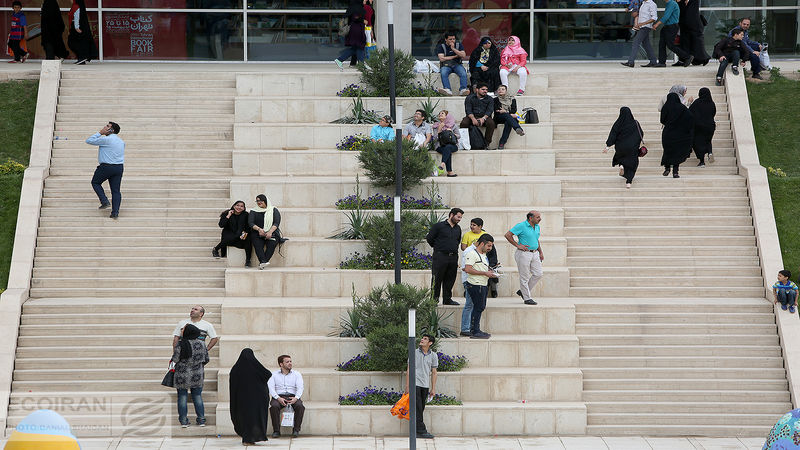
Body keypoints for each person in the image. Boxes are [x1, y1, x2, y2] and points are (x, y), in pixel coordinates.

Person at [230, 348, 272, 446]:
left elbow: (233, 385)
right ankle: (252, 437)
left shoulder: (235, 369)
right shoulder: (256, 367)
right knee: (255, 418)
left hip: (241, 401)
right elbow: (267, 374)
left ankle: (247, 438)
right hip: (257, 400)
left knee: (245, 418)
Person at [171, 324, 209, 428]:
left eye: (183, 329)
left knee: (182, 397)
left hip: (182, 375)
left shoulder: (181, 344)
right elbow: (206, 359)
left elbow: (175, 359)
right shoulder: (202, 344)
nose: (181, 330)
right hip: (197, 375)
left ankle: (184, 421)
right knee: (197, 396)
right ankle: (201, 420)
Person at [504, 211, 544, 306]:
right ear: (530, 218)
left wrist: (541, 252)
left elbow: (536, 239)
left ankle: (523, 291)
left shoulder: (537, 226)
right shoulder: (521, 226)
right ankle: (527, 298)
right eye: (538, 217)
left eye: (540, 217)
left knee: (538, 274)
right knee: (524, 276)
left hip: (535, 253)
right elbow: (507, 235)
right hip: (523, 254)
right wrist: (518, 245)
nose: (540, 219)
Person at [86, 122, 124, 219]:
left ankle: (104, 201)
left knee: (95, 182)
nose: (104, 127)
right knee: (116, 191)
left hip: (106, 167)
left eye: (107, 126)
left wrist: (100, 133)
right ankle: (115, 212)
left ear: (112, 130)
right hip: (118, 167)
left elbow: (89, 140)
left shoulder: (106, 140)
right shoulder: (121, 141)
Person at [426, 207, 464, 306]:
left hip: (453, 257)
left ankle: (447, 299)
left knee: (450, 278)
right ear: (451, 215)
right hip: (440, 256)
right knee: (437, 278)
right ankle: (434, 300)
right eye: (458, 217)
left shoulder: (458, 228)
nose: (459, 219)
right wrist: (439, 248)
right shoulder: (439, 226)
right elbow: (430, 238)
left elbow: (458, 240)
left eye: (460, 218)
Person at [463, 234, 498, 339]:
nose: (490, 248)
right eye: (489, 246)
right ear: (482, 243)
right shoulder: (471, 254)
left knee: (480, 307)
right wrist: (484, 273)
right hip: (475, 284)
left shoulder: (483, 255)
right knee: (477, 307)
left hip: (482, 284)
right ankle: (474, 331)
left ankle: (476, 330)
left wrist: (489, 272)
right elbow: (468, 269)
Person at [404, 334, 438, 439]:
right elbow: (409, 369)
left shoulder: (433, 356)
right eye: (422, 338)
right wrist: (407, 385)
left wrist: (433, 388)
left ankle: (416, 429)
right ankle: (421, 431)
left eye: (425, 339)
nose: (422, 340)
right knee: (418, 407)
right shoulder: (414, 352)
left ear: (430, 343)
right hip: (415, 384)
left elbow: (434, 372)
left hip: (425, 384)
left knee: (421, 407)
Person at [604, 107, 643, 189]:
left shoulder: (618, 123)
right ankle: (629, 182)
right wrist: (635, 142)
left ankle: (622, 165)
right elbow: (641, 133)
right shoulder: (635, 123)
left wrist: (608, 146)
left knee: (621, 157)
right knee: (633, 163)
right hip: (632, 147)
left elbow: (613, 134)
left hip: (620, 146)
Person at [268, 355, 305, 438]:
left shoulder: (297, 374)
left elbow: (300, 387)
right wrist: (278, 398)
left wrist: (296, 398)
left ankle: (296, 430)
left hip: (293, 396)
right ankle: (276, 431)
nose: (290, 363)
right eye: (287, 362)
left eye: (290, 361)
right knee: (274, 406)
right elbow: (271, 388)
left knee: (300, 406)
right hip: (278, 397)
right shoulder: (273, 374)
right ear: (281, 364)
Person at [660, 92, 694, 178]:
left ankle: (667, 168)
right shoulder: (682, 108)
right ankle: (675, 172)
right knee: (677, 152)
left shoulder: (666, 107)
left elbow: (662, 120)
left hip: (668, 133)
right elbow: (690, 117)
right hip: (679, 133)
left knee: (667, 151)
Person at [249, 194, 285, 270]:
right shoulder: (253, 211)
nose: (259, 202)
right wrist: (259, 229)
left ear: (265, 200)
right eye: (257, 201)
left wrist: (270, 232)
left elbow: (276, 222)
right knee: (258, 244)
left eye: (260, 200)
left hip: (272, 232)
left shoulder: (273, 210)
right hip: (257, 232)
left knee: (272, 244)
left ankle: (263, 262)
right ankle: (263, 261)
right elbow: (251, 223)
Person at [652, 0, 693, 67]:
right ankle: (662, 62)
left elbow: (666, 16)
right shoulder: (669, 3)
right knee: (661, 44)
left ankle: (687, 57)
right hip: (667, 26)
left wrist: (657, 24)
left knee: (670, 45)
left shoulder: (671, 3)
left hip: (671, 26)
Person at [213, 200, 252, 266]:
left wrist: (244, 234)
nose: (239, 207)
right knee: (230, 237)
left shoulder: (246, 215)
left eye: (241, 206)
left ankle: (248, 260)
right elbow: (221, 225)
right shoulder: (227, 213)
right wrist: (228, 216)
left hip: (240, 234)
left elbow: (248, 227)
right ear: (234, 206)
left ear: (244, 208)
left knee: (248, 240)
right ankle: (216, 249)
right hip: (229, 233)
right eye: (237, 205)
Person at [459, 83, 496, 150]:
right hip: (472, 116)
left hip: (485, 116)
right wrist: (473, 118)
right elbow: (468, 110)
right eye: (483, 89)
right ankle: (464, 143)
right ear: (477, 90)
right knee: (464, 123)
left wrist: (483, 118)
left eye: (486, 90)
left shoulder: (490, 99)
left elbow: (490, 110)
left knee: (491, 123)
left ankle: (486, 143)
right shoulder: (469, 98)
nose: (485, 91)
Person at [621, 0, 657, 67]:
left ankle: (631, 62)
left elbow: (654, 18)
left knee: (636, 42)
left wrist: (643, 23)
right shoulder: (643, 3)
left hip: (645, 27)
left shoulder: (652, 4)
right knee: (646, 44)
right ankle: (653, 61)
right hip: (641, 26)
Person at [333, 1, 366, 69]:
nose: (365, 0)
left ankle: (341, 60)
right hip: (357, 30)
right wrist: (363, 20)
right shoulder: (358, 8)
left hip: (353, 30)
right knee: (359, 46)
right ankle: (361, 65)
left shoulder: (352, 7)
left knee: (356, 47)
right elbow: (355, 17)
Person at [688, 87, 716, 167]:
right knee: (708, 140)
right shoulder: (711, 103)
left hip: (699, 127)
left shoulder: (697, 103)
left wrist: (689, 103)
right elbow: (713, 113)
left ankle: (702, 161)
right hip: (710, 126)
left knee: (698, 143)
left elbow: (690, 112)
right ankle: (709, 152)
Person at [678, 0, 710, 66]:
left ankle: (703, 59)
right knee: (685, 42)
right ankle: (684, 59)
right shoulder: (682, 3)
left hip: (694, 25)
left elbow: (691, 13)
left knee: (697, 43)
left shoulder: (693, 2)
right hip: (685, 25)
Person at [437, 32, 469, 96]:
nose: (452, 41)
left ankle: (463, 90)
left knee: (463, 72)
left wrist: (453, 49)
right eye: (450, 39)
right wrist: (454, 56)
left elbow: (463, 55)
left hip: (457, 64)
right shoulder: (441, 46)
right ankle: (447, 89)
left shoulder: (458, 45)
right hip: (446, 65)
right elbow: (442, 58)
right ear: (446, 39)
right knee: (443, 72)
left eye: (453, 39)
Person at [493, 85, 525, 150]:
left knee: (508, 122)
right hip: (499, 118)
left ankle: (502, 143)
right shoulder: (495, 100)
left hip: (508, 117)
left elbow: (514, 110)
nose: (500, 91)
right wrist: (507, 112)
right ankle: (518, 128)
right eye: (499, 89)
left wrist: (505, 111)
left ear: (506, 91)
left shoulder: (512, 99)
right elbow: (496, 111)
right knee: (507, 115)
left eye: (502, 89)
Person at [68, 0, 98, 64]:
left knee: (72, 42)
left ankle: (82, 57)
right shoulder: (76, 6)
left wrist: (76, 27)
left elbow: (77, 16)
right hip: (77, 26)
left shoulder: (76, 6)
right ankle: (81, 58)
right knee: (78, 43)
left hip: (76, 27)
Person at [433, 110, 458, 177]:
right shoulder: (436, 126)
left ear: (447, 116)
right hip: (440, 146)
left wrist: (451, 132)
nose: (440, 114)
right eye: (439, 114)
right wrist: (439, 130)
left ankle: (442, 165)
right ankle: (449, 172)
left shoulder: (453, 125)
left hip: (452, 145)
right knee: (447, 150)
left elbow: (459, 136)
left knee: (448, 147)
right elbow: (434, 139)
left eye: (442, 113)